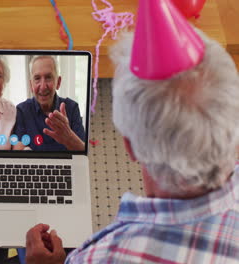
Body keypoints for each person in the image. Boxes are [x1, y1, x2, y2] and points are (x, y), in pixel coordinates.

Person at [24, 10, 239, 264]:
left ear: (129, 145)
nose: (43, 84)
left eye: (48, 77)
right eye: (36, 78)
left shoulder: (97, 257)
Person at [13, 55, 86, 151]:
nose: (43, 87)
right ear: (31, 85)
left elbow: (83, 152)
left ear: (58, 82)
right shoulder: (22, 110)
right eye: (37, 78)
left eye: (48, 77)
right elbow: (18, 151)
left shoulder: (72, 108)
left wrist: (69, 138)